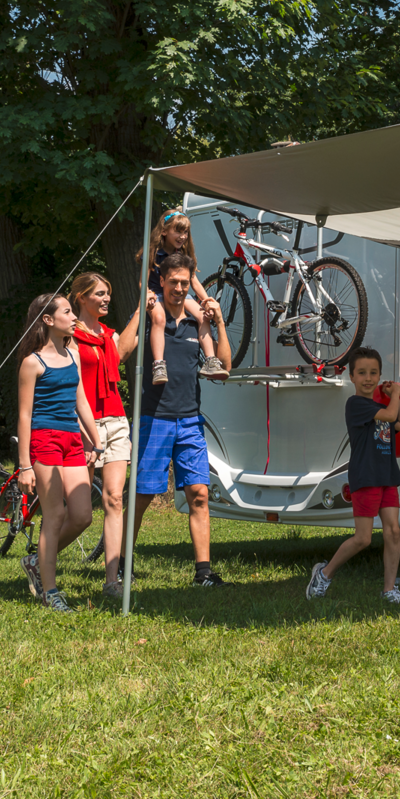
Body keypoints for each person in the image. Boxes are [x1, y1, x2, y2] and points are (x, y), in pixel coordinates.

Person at [129, 251, 234, 587]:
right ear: (161, 280)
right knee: (142, 496)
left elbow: (225, 367)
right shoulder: (150, 316)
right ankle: (121, 564)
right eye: (172, 281)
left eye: (184, 283)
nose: (177, 288)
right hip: (154, 419)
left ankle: (203, 572)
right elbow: (120, 352)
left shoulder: (197, 320)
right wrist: (138, 312)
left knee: (199, 494)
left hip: (189, 420)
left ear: (191, 284)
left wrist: (218, 321)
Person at [16, 292, 105, 612]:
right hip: (44, 440)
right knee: (53, 515)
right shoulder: (32, 363)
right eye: (68, 312)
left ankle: (36, 560)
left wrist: (96, 440)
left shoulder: (74, 354)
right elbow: (24, 415)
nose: (74, 317)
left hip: (72, 440)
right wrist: (25, 465)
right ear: (48, 320)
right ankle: (50, 591)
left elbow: (80, 400)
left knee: (82, 516)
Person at [305, 346, 400, 604]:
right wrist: (395, 394)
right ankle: (324, 573)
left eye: (374, 373)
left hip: (387, 476)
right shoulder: (356, 405)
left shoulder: (380, 406)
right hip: (366, 477)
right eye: (362, 373)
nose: (368, 378)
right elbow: (388, 415)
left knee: (393, 532)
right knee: (363, 538)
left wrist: (392, 397)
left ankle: (389, 589)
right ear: (351, 377)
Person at [68, 272, 138, 600]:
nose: (106, 298)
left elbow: (123, 350)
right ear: (81, 298)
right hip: (85, 423)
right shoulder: (69, 335)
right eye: (99, 294)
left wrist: (141, 311)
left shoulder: (108, 336)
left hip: (117, 420)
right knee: (79, 513)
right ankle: (42, 559)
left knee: (114, 498)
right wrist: (87, 433)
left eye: (108, 293)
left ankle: (112, 580)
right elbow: (72, 385)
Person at [141, 209, 225, 385]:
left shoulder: (183, 255)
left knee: (202, 315)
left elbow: (194, 281)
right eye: (178, 231)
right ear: (164, 231)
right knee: (158, 317)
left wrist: (207, 301)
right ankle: (158, 364)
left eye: (185, 232)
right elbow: (143, 281)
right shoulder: (154, 252)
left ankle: (210, 360)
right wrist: (147, 295)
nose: (182, 236)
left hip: (179, 294)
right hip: (157, 292)